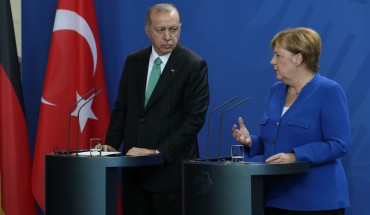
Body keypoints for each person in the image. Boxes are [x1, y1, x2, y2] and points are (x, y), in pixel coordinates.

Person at [102, 3, 210, 215]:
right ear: (148, 31)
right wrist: (110, 146)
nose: (168, 37)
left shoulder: (193, 65)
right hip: (134, 174)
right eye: (161, 30)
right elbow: (122, 108)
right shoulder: (133, 62)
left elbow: (194, 120)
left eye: (174, 29)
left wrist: (159, 152)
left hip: (170, 174)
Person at [232, 27, 350, 215]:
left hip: (318, 202)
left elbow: (338, 144)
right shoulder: (277, 90)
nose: (272, 62)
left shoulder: (329, 91)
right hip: (276, 198)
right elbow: (275, 140)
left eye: (278, 56)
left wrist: (295, 157)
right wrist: (250, 141)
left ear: (298, 58)